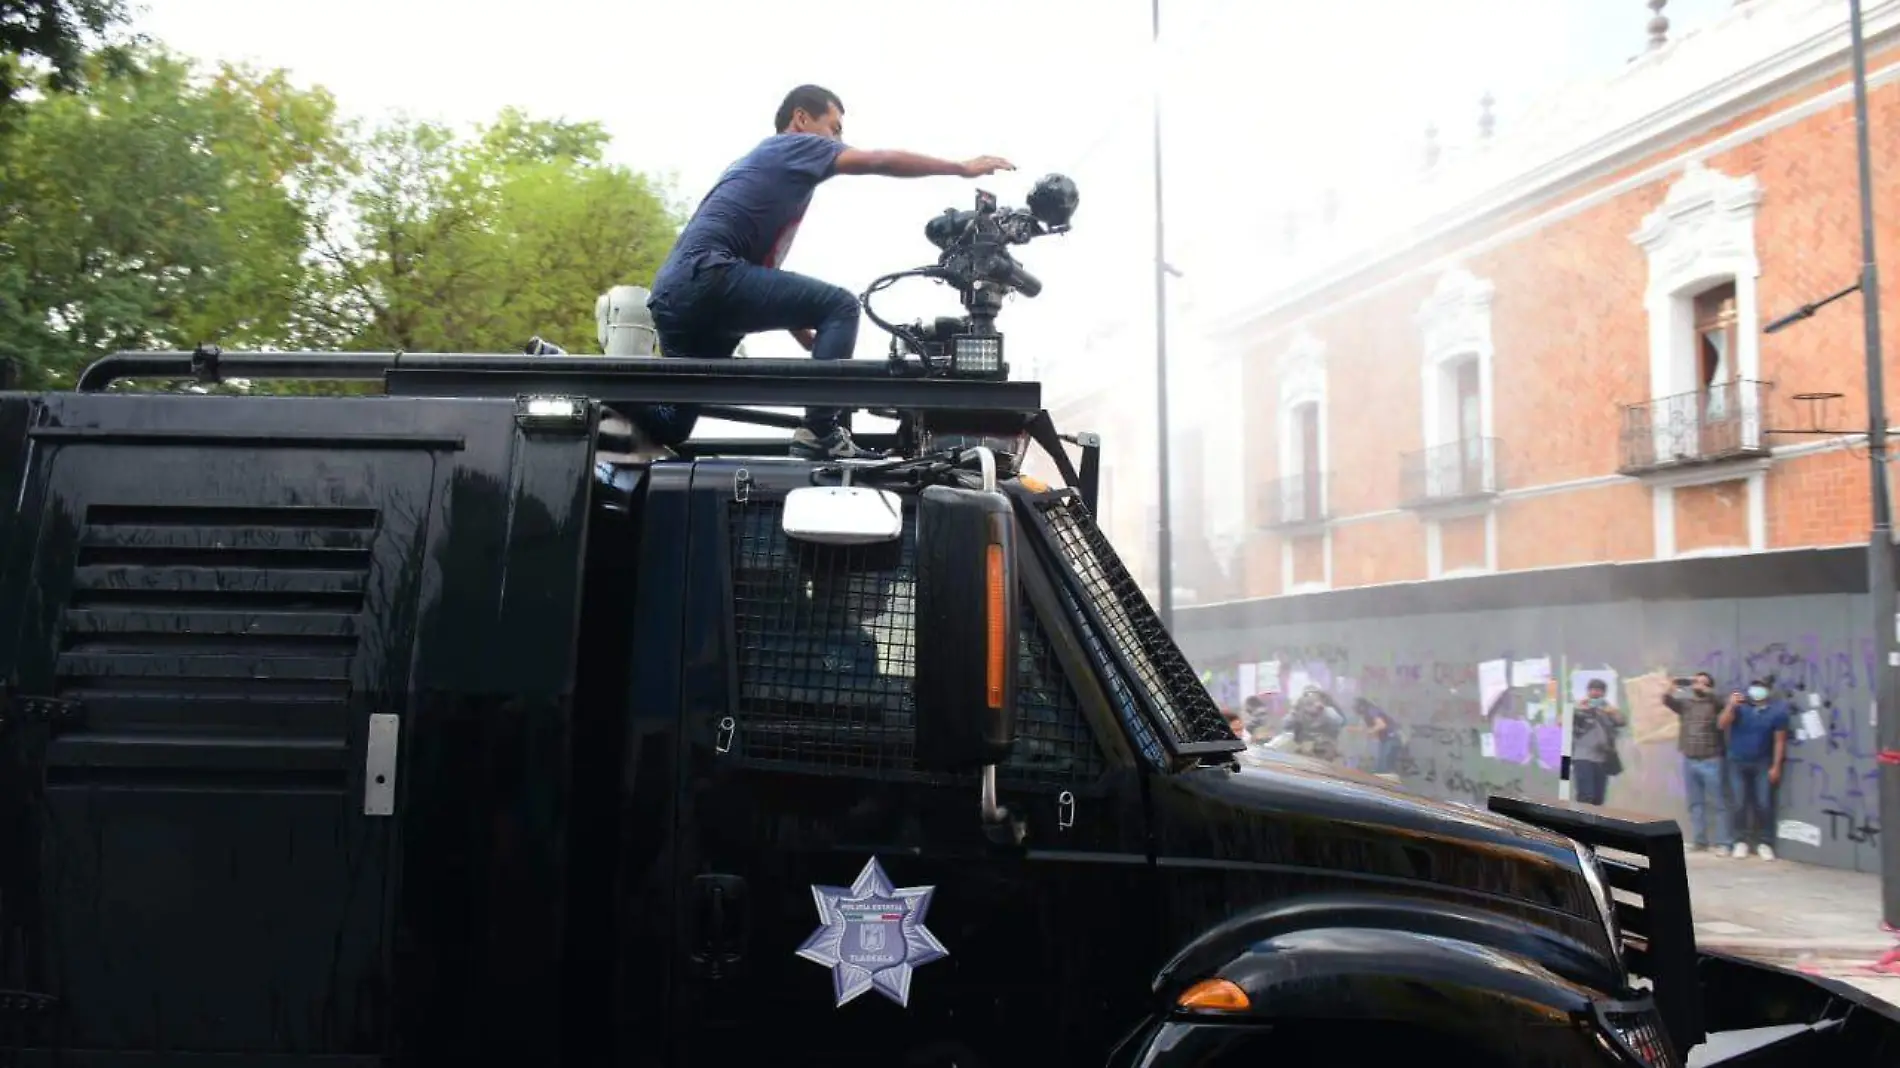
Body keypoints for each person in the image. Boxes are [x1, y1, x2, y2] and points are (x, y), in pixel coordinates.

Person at [640, 84, 1016, 460]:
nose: (839, 140)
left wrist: (819, 347)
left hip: (676, 298)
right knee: (842, 306)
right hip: (708, 276)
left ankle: (597, 402)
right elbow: (879, 161)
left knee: (671, 424)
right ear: (801, 119)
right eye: (834, 128)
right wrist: (961, 168)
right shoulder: (793, 145)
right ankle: (819, 431)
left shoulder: (762, 170)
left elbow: (763, 283)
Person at [1719, 680, 1790, 860]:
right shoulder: (1741, 708)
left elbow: (1779, 741)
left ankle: (1765, 843)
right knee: (1739, 803)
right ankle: (1740, 841)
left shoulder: (1777, 713)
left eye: (1761, 688)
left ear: (1767, 691)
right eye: (1754, 687)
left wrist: (1776, 766)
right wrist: (1730, 706)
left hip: (1762, 763)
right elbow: (1721, 724)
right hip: (1737, 762)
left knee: (1764, 803)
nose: (1756, 691)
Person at [1662, 672, 1730, 853]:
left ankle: (1724, 843)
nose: (1698, 685)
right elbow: (1666, 699)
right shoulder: (1686, 704)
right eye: (1696, 682)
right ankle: (1700, 841)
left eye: (1704, 683)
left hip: (1711, 760)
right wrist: (1673, 684)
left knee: (1718, 803)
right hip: (1689, 759)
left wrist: (1706, 691)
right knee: (1695, 803)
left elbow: (1725, 703)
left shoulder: (1715, 703)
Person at [1569, 678, 1624, 806]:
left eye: (1599, 690)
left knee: (1598, 799)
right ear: (1588, 692)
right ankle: (1582, 823)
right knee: (1586, 795)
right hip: (1583, 757)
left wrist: (1612, 711)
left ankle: (1595, 823)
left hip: (1602, 759)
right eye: (1592, 690)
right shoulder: (1579, 708)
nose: (1595, 693)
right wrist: (1578, 708)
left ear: (1603, 693)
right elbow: (1561, 721)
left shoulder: (1608, 710)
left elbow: (1621, 722)